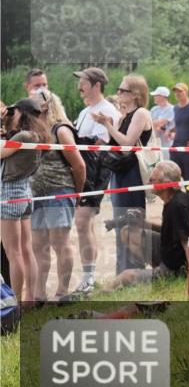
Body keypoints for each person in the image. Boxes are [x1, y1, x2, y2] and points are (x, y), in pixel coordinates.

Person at [101, 161, 189, 289]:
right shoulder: (174, 200)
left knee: (125, 276)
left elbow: (188, 242)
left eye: (152, 180)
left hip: (180, 265)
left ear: (165, 185)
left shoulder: (177, 207)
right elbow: (173, 231)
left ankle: (102, 293)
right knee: (129, 232)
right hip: (174, 254)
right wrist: (143, 224)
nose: (149, 182)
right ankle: (154, 272)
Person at [93, 74, 154, 274]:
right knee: (120, 221)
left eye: (122, 90)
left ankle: (134, 269)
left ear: (136, 94)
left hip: (132, 173)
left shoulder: (141, 113)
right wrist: (109, 124)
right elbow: (116, 143)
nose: (118, 92)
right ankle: (122, 270)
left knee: (131, 221)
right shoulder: (124, 115)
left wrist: (108, 125)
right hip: (120, 173)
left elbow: (127, 145)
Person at [31, 90, 85, 302]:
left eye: (34, 101)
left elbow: (79, 165)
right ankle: (39, 294)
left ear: (45, 105)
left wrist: (77, 193)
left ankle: (62, 292)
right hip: (36, 194)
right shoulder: (33, 130)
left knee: (59, 242)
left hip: (59, 191)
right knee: (38, 245)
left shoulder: (60, 129)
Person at [71, 67, 120, 294]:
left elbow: (100, 145)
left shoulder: (107, 110)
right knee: (85, 225)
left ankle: (89, 278)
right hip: (82, 171)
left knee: (83, 222)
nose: (79, 86)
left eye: (83, 82)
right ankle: (89, 276)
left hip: (96, 171)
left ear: (96, 85)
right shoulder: (84, 112)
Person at [0, 98, 46, 304]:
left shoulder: (24, 135)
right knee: (26, 250)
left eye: (14, 111)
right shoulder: (35, 134)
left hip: (10, 193)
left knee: (13, 253)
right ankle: (29, 299)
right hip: (24, 191)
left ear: (22, 113)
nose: (11, 114)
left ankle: (15, 302)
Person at [149, 86, 175, 161]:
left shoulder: (171, 109)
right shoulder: (154, 109)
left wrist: (153, 124)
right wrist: (154, 124)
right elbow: (150, 124)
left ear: (162, 96)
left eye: (156, 95)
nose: (154, 97)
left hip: (167, 145)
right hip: (154, 143)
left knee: (167, 164)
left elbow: (160, 123)